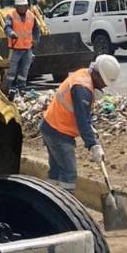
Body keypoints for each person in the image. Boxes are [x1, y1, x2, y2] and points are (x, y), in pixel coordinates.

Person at [41, 54, 121, 192]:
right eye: (104, 82)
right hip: (58, 132)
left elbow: (80, 114)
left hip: (50, 126)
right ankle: (65, 207)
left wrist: (90, 130)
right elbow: (82, 121)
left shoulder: (84, 75)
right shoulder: (83, 89)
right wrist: (93, 145)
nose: (104, 87)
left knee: (55, 172)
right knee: (69, 174)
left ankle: (48, 203)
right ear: (97, 75)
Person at [4, 0, 40, 94]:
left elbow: (36, 30)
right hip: (15, 48)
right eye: (20, 6)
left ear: (27, 6)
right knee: (12, 69)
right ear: (16, 7)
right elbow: (7, 27)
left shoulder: (31, 16)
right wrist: (11, 33)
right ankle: (9, 87)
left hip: (27, 48)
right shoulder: (11, 15)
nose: (22, 8)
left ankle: (21, 87)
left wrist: (36, 40)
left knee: (24, 69)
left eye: (23, 6)